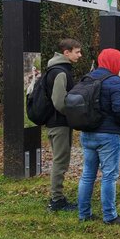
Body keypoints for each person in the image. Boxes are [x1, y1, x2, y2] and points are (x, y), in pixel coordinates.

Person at [77, 48, 120, 224]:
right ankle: (110, 216)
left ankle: (83, 214)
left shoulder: (88, 77)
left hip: (87, 132)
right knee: (109, 175)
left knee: (87, 175)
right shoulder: (114, 81)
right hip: (108, 135)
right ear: (114, 62)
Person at [46, 38, 82, 212]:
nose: (80, 55)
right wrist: (74, 114)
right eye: (77, 52)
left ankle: (57, 197)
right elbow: (59, 102)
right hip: (59, 123)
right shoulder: (60, 72)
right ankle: (56, 200)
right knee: (60, 161)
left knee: (60, 160)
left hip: (55, 122)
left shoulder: (54, 69)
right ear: (66, 53)